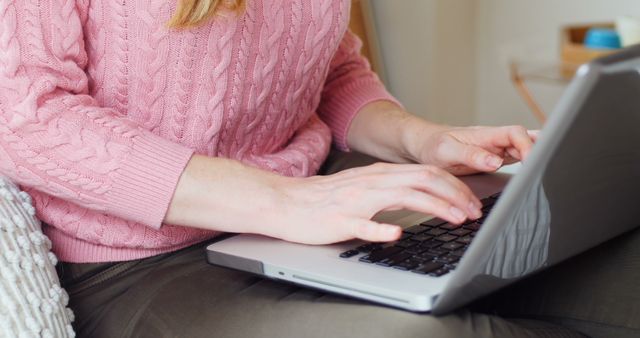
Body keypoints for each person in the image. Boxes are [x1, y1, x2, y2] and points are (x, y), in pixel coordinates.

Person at [1, 1, 635, 337]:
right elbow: (23, 118)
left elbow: (330, 71)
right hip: (136, 263)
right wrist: (282, 201)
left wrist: (420, 138)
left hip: (309, 207)